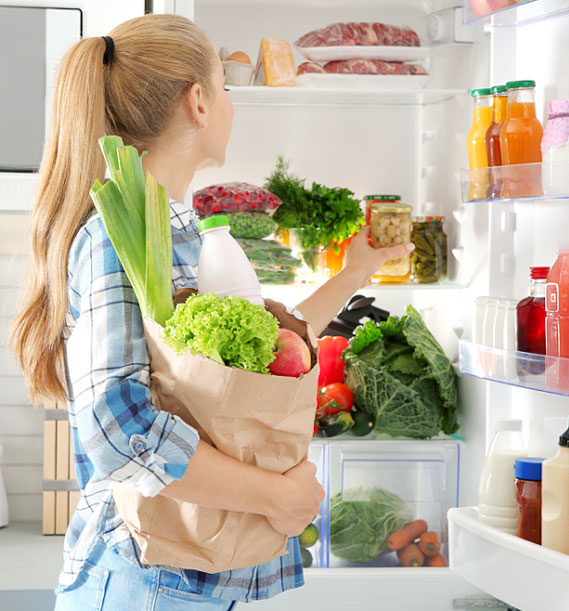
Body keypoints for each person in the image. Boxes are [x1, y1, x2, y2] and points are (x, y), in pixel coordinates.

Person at [9, 14, 413, 611]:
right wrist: (274, 496)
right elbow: (118, 428)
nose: (229, 104)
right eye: (224, 87)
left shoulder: (187, 235)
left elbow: (261, 351)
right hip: (147, 576)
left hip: (189, 573)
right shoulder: (120, 237)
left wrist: (353, 273)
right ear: (198, 101)